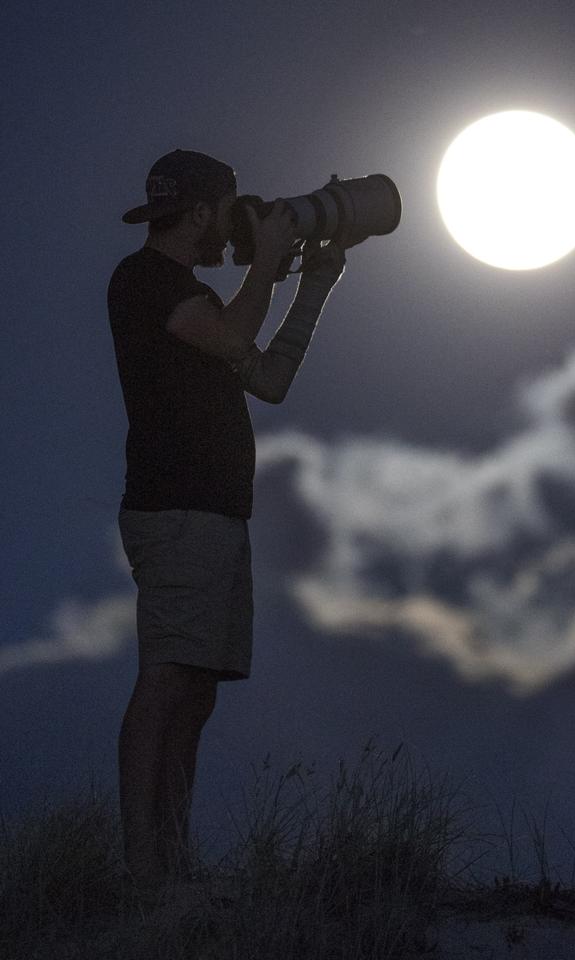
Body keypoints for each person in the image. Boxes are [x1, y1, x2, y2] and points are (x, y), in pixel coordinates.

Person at [107, 149, 346, 907]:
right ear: (204, 210)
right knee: (168, 677)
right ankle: (145, 869)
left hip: (211, 512)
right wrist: (266, 264)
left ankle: (170, 864)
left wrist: (311, 286)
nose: (235, 227)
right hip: (175, 509)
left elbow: (268, 379)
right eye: (231, 209)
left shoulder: (200, 298)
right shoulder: (146, 281)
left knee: (197, 689)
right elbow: (237, 329)